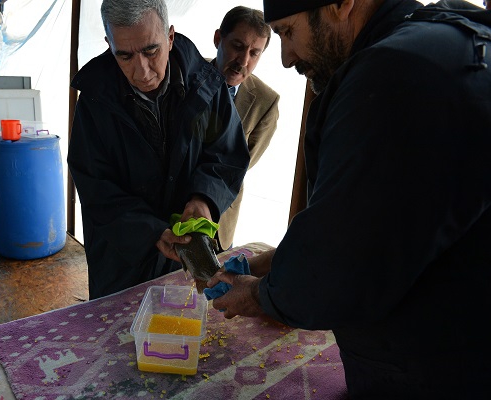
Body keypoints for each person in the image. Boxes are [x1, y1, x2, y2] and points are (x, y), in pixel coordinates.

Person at [206, 0, 491, 398]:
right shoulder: (447, 32)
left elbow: (335, 261)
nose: (286, 58)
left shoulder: (394, 75)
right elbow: (368, 217)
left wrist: (254, 295)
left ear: (341, 5)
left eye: (288, 32)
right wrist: (267, 265)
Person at [68, 0, 249, 300]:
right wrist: (152, 232)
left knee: (189, 333)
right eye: (124, 55)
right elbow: (96, 189)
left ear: (170, 37)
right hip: (123, 261)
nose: (141, 70)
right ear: (108, 44)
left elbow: (225, 154)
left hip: (191, 257)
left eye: (151, 51)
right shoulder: (95, 103)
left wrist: (204, 198)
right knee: (121, 339)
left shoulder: (206, 86)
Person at [210, 6, 280, 251]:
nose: (244, 61)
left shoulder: (266, 102)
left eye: (255, 53)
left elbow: (241, 166)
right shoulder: (184, 77)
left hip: (219, 226)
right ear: (218, 39)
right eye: (237, 47)